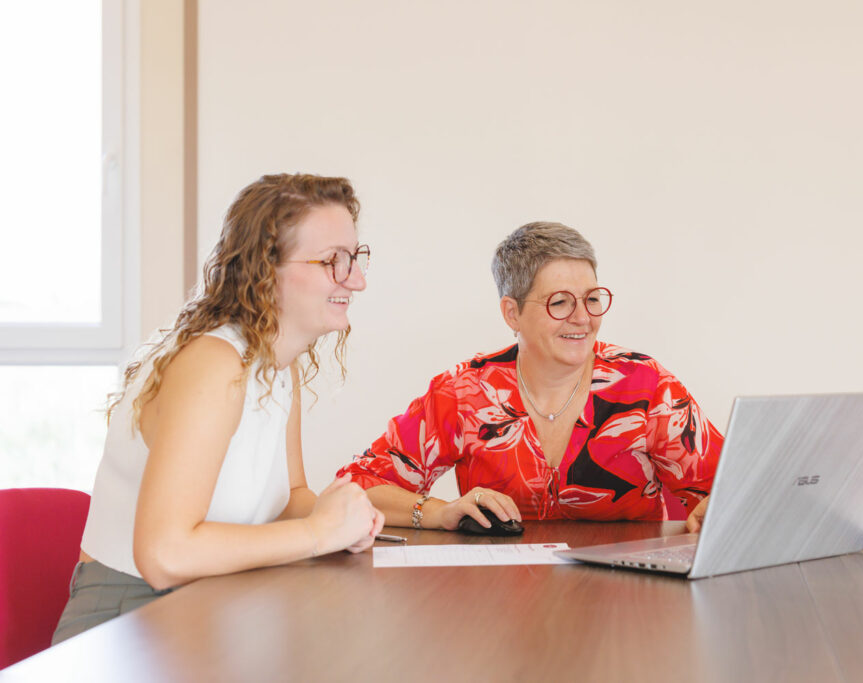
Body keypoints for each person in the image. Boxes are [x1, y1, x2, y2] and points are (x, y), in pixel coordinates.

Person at [52, 173, 385, 644]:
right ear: (266, 270)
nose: (357, 280)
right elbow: (164, 555)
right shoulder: (213, 363)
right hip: (128, 624)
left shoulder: (276, 365)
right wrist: (318, 533)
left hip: (213, 606)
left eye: (356, 258)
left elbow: (290, 497)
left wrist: (350, 518)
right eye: (335, 261)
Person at [337, 221, 722, 533]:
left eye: (591, 299)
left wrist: (718, 507)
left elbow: (735, 490)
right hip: (501, 602)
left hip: (628, 603)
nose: (583, 318)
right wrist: (439, 510)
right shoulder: (465, 391)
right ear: (512, 313)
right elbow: (357, 487)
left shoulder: (646, 385)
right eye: (559, 302)